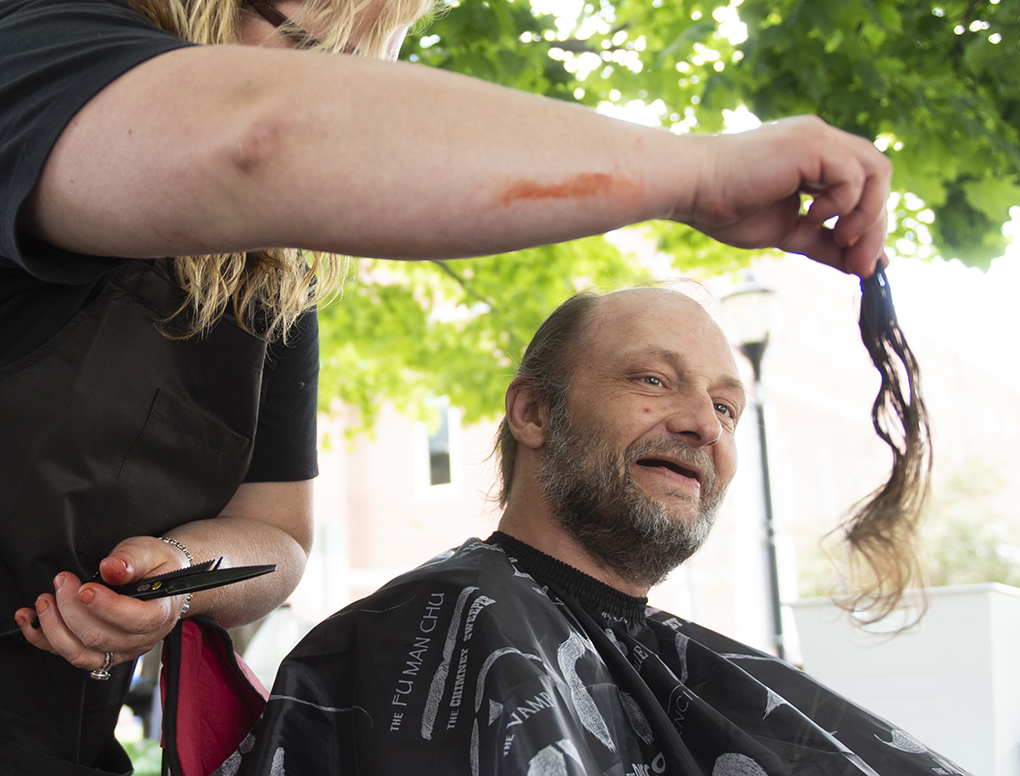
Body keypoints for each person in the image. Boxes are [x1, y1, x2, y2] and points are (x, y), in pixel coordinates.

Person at [0, 0, 892, 772]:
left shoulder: (266, 280)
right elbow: (264, 137)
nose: (702, 423)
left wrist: (183, 575)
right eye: (313, 50)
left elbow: (276, 534)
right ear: (531, 410)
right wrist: (696, 175)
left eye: (362, 65)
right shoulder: (40, 51)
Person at [223, 287, 967, 776]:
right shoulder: (439, 632)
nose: (703, 424)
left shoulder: (675, 657)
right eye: (653, 380)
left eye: (728, 407)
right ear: (535, 414)